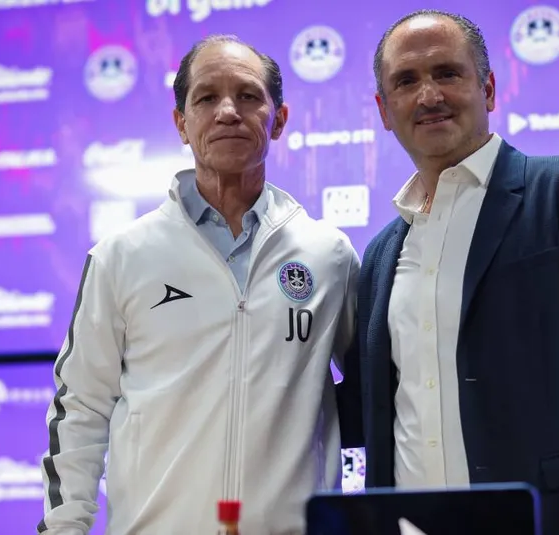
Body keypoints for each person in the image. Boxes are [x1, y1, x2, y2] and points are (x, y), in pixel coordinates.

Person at [341, 9, 559, 535]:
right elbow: (368, 411)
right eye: (406, 81)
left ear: (488, 89)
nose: (429, 95)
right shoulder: (381, 255)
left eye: (447, 73)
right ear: (384, 109)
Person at [38, 35, 360, 535]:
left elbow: (372, 396)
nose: (228, 112)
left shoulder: (328, 255)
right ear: (181, 123)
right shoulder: (122, 256)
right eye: (207, 97)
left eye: (248, 96)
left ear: (279, 120)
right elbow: (80, 407)